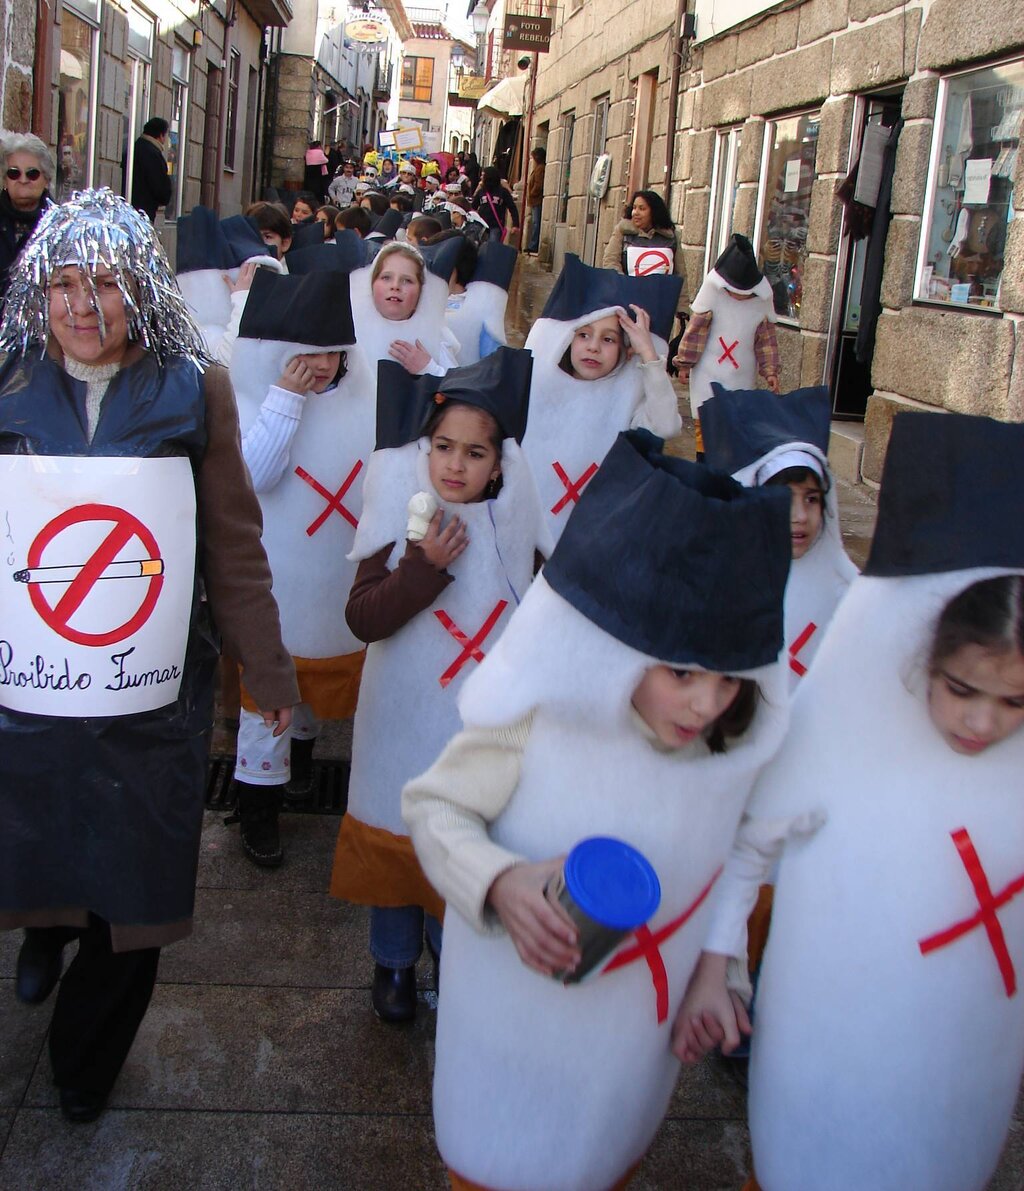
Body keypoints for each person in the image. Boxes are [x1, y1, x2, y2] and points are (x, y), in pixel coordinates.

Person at [403, 429, 792, 1189]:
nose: (706, 701)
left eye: (730, 679)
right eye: (680, 670)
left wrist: (721, 971)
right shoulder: (539, 719)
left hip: (630, 1051)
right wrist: (500, 882)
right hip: (515, 1038)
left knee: (604, 1162)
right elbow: (435, 807)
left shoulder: (721, 747)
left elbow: (730, 861)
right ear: (612, 647)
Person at [0, 188, 297, 1123]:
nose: (85, 305)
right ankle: (49, 927)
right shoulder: (6, 379)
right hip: (30, 692)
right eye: (66, 283)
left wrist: (269, 669)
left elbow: (233, 542)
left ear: (145, 292)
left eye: (109, 284)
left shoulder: (192, 387)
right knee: (41, 836)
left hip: (149, 696)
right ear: (39, 291)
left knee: (135, 881)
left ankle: (85, 1059)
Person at [673, 411, 1024, 1191]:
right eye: (961, 689)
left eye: (1013, 703)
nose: (979, 721)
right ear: (917, 658)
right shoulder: (839, 730)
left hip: (967, 1063)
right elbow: (751, 846)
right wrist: (719, 964)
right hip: (832, 1044)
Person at [331, 349, 551, 1022]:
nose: (455, 465)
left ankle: (453, 957)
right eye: (444, 447)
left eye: (475, 453)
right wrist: (420, 569)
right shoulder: (396, 522)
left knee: (467, 834)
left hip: (478, 730)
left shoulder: (521, 536)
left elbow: (545, 627)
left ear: (501, 463)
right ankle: (393, 962)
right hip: (400, 716)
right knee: (397, 841)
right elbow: (364, 617)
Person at [228, 269, 374, 866]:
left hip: (335, 576)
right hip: (278, 579)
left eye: (329, 355)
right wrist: (286, 400)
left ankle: (302, 772)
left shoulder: (366, 396)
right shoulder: (252, 395)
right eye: (304, 356)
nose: (317, 365)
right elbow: (252, 477)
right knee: (270, 698)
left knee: (318, 693)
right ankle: (256, 807)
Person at [522, 254, 683, 543]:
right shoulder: (539, 387)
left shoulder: (627, 400)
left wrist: (649, 353)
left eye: (608, 339)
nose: (593, 347)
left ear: (626, 348)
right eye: (584, 335)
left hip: (593, 539)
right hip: (531, 536)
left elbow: (666, 425)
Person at [674, 234, 780, 461]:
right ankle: (704, 460)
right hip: (707, 370)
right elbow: (695, 334)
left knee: (734, 417)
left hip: (740, 373)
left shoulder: (760, 307)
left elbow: (766, 342)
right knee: (705, 415)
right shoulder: (712, 301)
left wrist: (770, 371)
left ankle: (726, 460)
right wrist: (684, 363)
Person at [348, 241, 460, 375]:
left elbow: (456, 390)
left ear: (420, 291)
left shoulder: (438, 338)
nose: (395, 286)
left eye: (407, 280)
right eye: (386, 278)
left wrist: (429, 368)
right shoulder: (350, 335)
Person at [0, 132, 54, 301]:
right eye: (14, 173)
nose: (23, 180)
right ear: (5, 180)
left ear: (46, 179)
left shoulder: (60, 224)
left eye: (32, 173)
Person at [601, 189, 681, 278]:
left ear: (654, 212)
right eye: (634, 208)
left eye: (642, 208)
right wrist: (623, 284)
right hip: (628, 290)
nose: (635, 213)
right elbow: (611, 262)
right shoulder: (622, 231)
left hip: (660, 291)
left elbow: (680, 274)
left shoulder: (670, 236)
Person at [130, 116, 172, 222]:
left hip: (132, 209)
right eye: (165, 136)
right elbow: (159, 186)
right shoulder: (152, 154)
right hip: (144, 212)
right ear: (160, 135)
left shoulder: (136, 147)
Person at [472, 166, 519, 244]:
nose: (481, 177)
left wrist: (515, 224)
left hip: (496, 226)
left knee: (493, 246)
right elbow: (473, 207)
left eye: (483, 175)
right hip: (481, 225)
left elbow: (512, 208)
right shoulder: (481, 191)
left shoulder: (503, 192)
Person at [525, 146, 545, 255]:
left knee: (536, 223)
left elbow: (538, 184)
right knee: (535, 222)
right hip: (534, 200)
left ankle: (533, 245)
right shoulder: (538, 168)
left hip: (536, 200)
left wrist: (532, 193)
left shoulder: (540, 168)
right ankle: (533, 244)